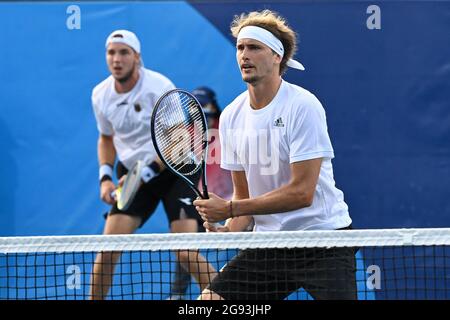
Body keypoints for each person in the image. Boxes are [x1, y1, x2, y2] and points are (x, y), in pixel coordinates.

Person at [193, 10, 356, 300]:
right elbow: (245, 201)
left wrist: (229, 209)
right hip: (269, 246)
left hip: (323, 241)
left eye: (254, 47)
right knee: (207, 305)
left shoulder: (303, 106)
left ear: (277, 56)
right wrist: (230, 230)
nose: (244, 55)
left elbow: (302, 193)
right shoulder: (231, 115)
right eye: (241, 47)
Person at [90, 30, 216, 300]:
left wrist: (143, 175)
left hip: (175, 169)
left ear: (137, 57)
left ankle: (232, 299)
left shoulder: (158, 87)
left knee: (185, 252)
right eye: (111, 52)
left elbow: (178, 140)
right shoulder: (100, 95)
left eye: (124, 52)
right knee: (108, 249)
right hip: (132, 171)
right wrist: (105, 177)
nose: (117, 59)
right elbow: (106, 138)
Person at [168, 86, 233, 300]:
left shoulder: (229, 131)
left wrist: (233, 207)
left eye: (205, 105)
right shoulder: (185, 134)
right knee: (185, 251)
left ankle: (233, 294)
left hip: (233, 205)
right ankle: (178, 294)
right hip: (201, 203)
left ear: (214, 106)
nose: (201, 111)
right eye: (196, 107)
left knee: (252, 254)